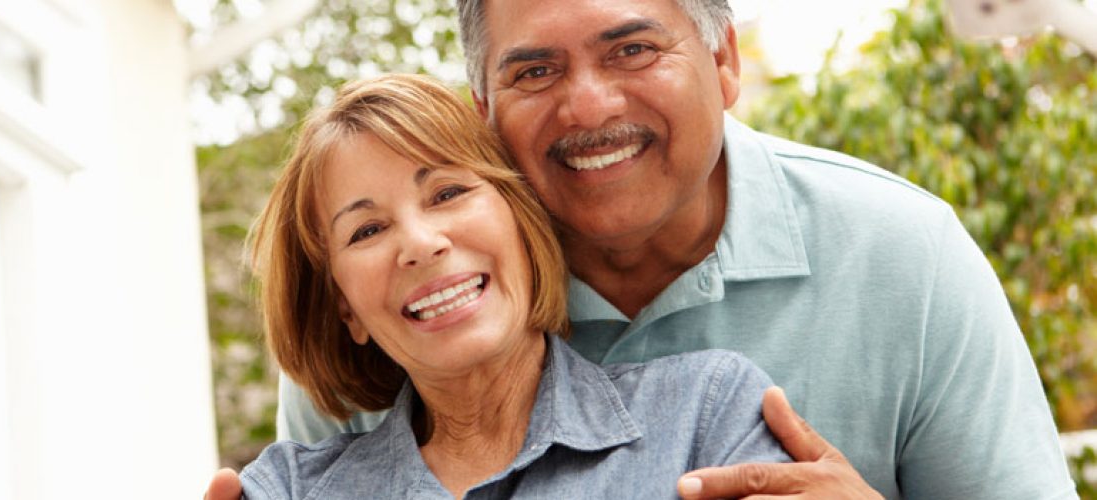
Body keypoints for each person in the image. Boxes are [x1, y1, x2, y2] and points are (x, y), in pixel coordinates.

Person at [208, 0, 1077, 498]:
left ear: (724, 61)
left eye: (632, 48)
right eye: (535, 71)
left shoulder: (903, 254)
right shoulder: (420, 298)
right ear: (484, 113)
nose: (587, 107)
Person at [237, 73, 790, 499]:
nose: (421, 244)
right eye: (368, 230)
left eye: (447, 193)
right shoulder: (292, 487)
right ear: (345, 308)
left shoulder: (707, 413)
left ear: (520, 220)